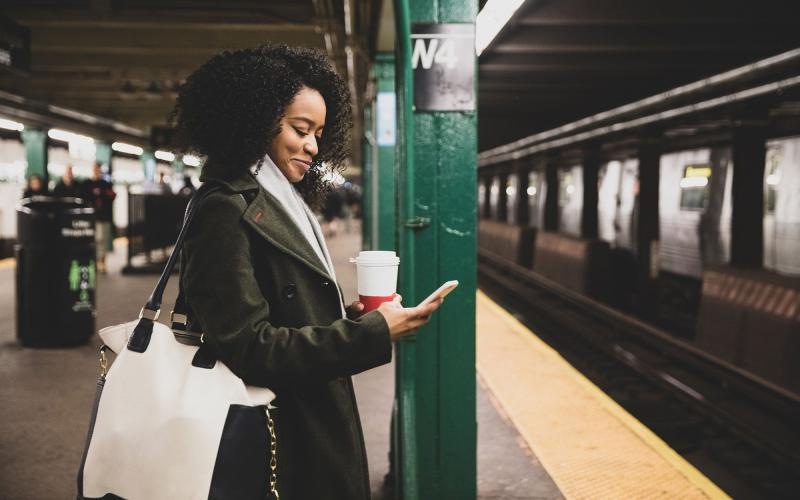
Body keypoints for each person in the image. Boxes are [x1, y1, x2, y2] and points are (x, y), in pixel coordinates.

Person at [171, 44, 442, 499]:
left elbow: (285, 316)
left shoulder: (282, 202)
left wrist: (354, 320)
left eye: (319, 133)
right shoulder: (224, 209)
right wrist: (369, 335)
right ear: (254, 120)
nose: (313, 147)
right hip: (274, 439)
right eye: (300, 129)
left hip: (304, 418)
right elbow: (249, 347)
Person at [84, 161, 116, 273]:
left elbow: (112, 196)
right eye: (94, 168)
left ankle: (102, 262)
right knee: (95, 240)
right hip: (92, 217)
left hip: (103, 217)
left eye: (97, 168)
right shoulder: (87, 184)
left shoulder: (105, 184)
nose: (96, 170)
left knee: (103, 240)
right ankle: (96, 261)